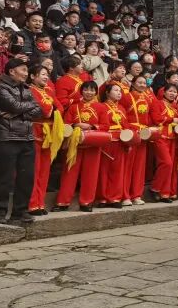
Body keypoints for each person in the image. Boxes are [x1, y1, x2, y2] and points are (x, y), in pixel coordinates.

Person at [0, 58, 42, 224]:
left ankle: (20, 212)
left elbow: (38, 110)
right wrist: (22, 109)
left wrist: (17, 112)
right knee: (3, 178)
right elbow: (13, 106)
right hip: (7, 137)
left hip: (27, 136)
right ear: (12, 71)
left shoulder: (26, 88)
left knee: (26, 178)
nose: (26, 74)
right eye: (23, 70)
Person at [58, 81, 106, 212]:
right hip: (75, 144)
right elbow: (66, 123)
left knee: (91, 174)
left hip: (93, 144)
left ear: (96, 92)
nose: (89, 92)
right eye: (86, 89)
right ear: (81, 91)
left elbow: (105, 126)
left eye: (92, 90)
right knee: (69, 173)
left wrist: (91, 126)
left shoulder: (101, 107)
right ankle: (62, 202)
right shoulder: (73, 107)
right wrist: (75, 125)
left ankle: (86, 202)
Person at [26, 64, 65, 216]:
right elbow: (42, 109)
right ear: (32, 76)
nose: (46, 77)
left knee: (44, 171)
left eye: (47, 74)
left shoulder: (48, 91)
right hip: (35, 132)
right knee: (34, 170)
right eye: (42, 74)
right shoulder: (30, 91)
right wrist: (52, 110)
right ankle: (32, 204)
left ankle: (40, 203)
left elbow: (60, 108)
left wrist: (51, 111)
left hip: (49, 134)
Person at [121, 73, 155, 205]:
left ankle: (136, 195)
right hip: (131, 134)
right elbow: (122, 115)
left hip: (144, 134)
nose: (142, 85)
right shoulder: (126, 97)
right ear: (133, 84)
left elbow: (150, 116)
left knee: (140, 167)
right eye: (139, 82)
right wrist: (129, 129)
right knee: (128, 166)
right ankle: (125, 196)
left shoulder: (148, 98)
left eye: (144, 83)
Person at [150, 84, 178, 203]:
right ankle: (155, 188)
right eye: (170, 91)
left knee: (171, 166)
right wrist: (171, 120)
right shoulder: (157, 103)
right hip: (160, 136)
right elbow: (156, 119)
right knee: (166, 163)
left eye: (175, 92)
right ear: (164, 92)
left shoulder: (175, 107)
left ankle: (165, 193)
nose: (172, 93)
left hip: (172, 138)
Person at [98, 83, 129, 208]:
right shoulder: (101, 106)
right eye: (115, 90)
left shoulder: (122, 108)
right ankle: (102, 198)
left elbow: (126, 125)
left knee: (117, 170)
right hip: (107, 140)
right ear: (107, 93)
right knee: (103, 170)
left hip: (120, 141)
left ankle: (115, 198)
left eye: (120, 91)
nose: (119, 93)